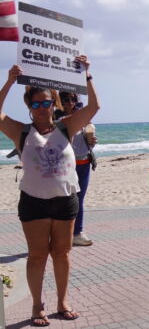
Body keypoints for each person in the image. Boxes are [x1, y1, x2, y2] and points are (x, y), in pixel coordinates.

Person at [0, 56, 99, 326]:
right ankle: (36, 305)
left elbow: (94, 107)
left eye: (46, 102)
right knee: (36, 255)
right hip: (34, 203)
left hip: (66, 201)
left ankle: (62, 301)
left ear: (53, 104)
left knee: (62, 254)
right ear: (30, 107)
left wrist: (86, 76)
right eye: (36, 103)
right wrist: (9, 80)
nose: (42, 108)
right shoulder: (21, 131)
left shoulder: (66, 127)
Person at [55, 92, 98, 246]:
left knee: (79, 200)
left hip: (84, 163)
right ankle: (63, 234)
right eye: (66, 100)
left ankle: (77, 233)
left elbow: (87, 144)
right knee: (64, 199)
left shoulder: (84, 118)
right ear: (59, 102)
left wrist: (92, 141)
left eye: (73, 99)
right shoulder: (57, 120)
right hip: (66, 166)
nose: (70, 103)